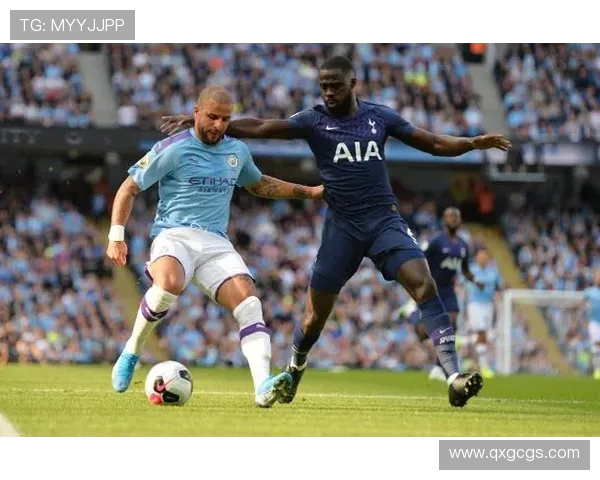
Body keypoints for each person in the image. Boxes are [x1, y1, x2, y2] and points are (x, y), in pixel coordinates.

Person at [159, 56, 512, 407]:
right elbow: (264, 126)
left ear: (353, 84)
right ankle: (295, 366)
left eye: (335, 86)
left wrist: (471, 143)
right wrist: (209, 124)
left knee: (424, 283)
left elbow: (431, 142)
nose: (328, 92)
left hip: (384, 221)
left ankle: (453, 377)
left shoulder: (379, 117)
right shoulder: (314, 120)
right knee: (314, 318)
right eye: (324, 86)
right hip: (342, 228)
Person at [107, 86, 323, 408]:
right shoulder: (173, 148)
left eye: (225, 119)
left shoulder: (237, 151)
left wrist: (311, 192)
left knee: (249, 301)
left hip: (216, 243)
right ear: (196, 112)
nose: (219, 125)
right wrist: (116, 236)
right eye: (212, 117)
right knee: (169, 283)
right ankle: (131, 351)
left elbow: (260, 184)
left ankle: (262, 387)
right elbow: (129, 188)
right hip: (175, 234)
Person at [417, 207, 484, 381]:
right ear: (444, 220)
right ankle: (414, 319)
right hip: (432, 288)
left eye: (456, 217)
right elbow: (422, 261)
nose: (454, 219)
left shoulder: (463, 245)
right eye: (450, 217)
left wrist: (476, 280)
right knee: (424, 332)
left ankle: (439, 366)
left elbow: (465, 270)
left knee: (452, 324)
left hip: (448, 290)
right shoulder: (436, 242)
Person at [465, 246, 502, 378]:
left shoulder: (493, 271)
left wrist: (498, 296)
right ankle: (484, 366)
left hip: (488, 305)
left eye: (485, 255)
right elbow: (464, 284)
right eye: (481, 255)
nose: (483, 258)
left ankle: (471, 361)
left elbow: (498, 287)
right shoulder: (471, 270)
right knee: (481, 332)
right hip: (475, 304)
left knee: (484, 335)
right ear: (476, 257)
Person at [582, 270, 600, 380]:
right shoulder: (589, 292)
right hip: (594, 323)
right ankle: (597, 370)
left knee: (596, 347)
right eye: (598, 276)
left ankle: (593, 368)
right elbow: (582, 303)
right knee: (596, 346)